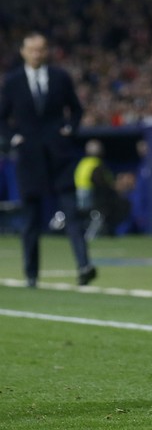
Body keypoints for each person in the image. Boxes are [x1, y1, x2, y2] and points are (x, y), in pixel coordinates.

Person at [0, 32, 97, 287]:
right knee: (31, 219)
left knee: (72, 214)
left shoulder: (60, 77)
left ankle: (84, 266)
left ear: (47, 51)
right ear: (23, 51)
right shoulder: (12, 82)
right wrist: (12, 138)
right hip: (29, 158)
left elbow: (76, 109)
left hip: (59, 156)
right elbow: (2, 117)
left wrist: (69, 130)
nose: (37, 54)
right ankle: (31, 275)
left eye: (41, 49)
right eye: (32, 49)